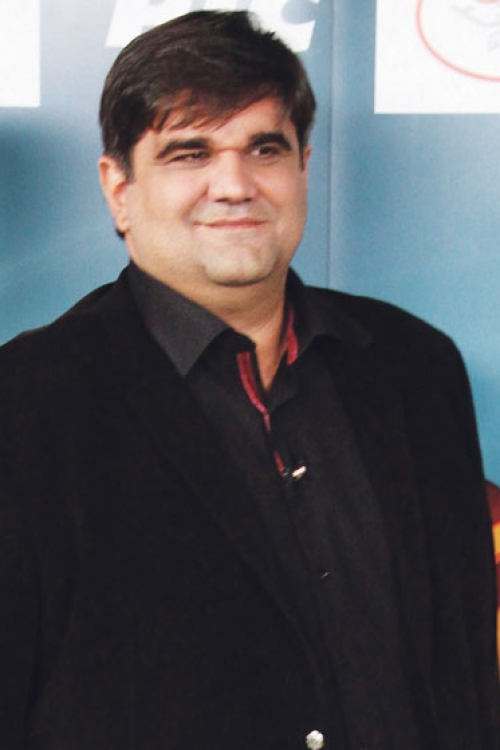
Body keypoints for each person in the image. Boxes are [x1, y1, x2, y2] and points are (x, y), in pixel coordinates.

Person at [0, 10, 498, 750]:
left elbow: (466, 672)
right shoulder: (26, 406)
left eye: (264, 148)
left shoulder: (415, 366)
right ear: (118, 188)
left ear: (302, 168)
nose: (234, 185)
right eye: (189, 152)